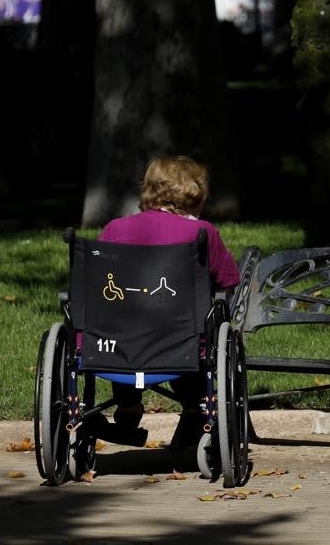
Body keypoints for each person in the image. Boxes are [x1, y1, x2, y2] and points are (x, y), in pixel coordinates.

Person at [95, 156, 240, 449]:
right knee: (197, 326)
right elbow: (228, 282)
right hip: (181, 343)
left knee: (124, 320)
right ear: (194, 195)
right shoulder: (203, 233)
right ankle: (193, 406)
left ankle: (128, 406)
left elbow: (97, 285)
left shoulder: (114, 230)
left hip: (119, 346)